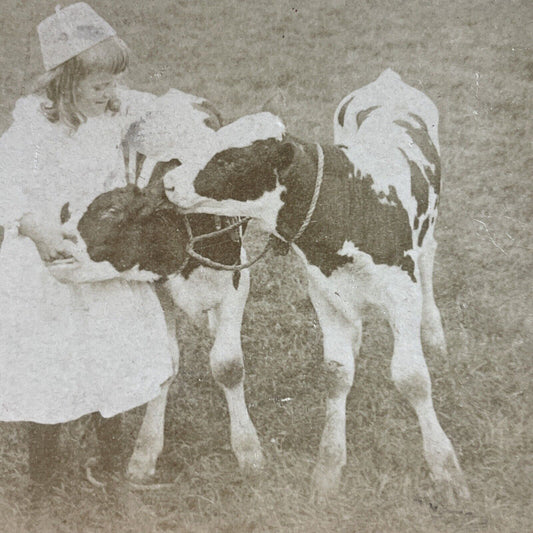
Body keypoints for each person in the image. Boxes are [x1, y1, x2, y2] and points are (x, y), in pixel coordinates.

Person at [0, 2, 174, 499]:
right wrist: (36, 227)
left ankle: (111, 464)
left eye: (115, 83)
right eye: (100, 86)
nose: (111, 93)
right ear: (62, 86)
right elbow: (4, 184)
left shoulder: (109, 113)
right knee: (49, 369)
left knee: (112, 360)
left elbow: (156, 109)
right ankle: (44, 481)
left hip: (98, 261)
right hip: (46, 270)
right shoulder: (32, 130)